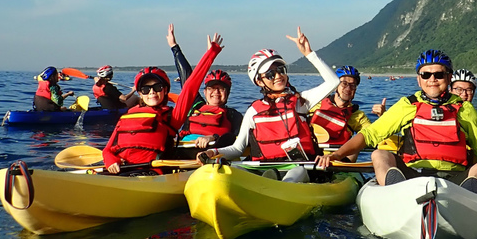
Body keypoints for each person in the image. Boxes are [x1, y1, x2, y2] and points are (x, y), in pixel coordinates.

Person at [316, 49, 477, 196]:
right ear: (419, 79)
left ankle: (467, 196)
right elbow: (369, 135)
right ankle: (394, 192)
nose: (432, 79)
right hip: (412, 176)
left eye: (439, 74)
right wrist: (337, 154)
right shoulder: (407, 105)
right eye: (426, 74)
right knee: (379, 154)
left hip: (454, 179)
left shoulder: (465, 109)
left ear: (449, 77)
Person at [212, 28, 338, 182]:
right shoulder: (254, 111)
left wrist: (309, 54)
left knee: (295, 173)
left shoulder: (300, 102)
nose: (278, 76)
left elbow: (334, 82)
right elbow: (237, 148)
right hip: (264, 168)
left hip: (298, 169)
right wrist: (213, 152)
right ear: (259, 81)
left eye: (280, 70)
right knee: (232, 170)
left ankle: (277, 187)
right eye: (270, 74)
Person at [101, 34, 223, 175]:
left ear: (165, 90)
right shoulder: (128, 116)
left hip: (153, 173)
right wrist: (110, 161)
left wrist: (210, 54)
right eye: (146, 89)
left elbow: (190, 86)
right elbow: (107, 150)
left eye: (157, 87)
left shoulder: (173, 117)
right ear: (140, 93)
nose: (152, 92)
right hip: (122, 171)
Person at [166, 24, 243, 151]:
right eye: (212, 88)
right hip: (183, 152)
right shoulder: (195, 105)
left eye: (221, 88)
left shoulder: (234, 116)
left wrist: (212, 138)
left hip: (213, 154)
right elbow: (188, 77)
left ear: (227, 93)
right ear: (205, 91)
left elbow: (237, 142)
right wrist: (174, 47)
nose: (216, 92)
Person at [308, 65, 372, 157]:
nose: (348, 88)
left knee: (358, 142)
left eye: (352, 85)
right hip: (310, 157)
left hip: (337, 162)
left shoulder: (357, 116)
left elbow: (374, 133)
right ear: (335, 86)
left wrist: (382, 115)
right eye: (344, 83)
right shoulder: (315, 104)